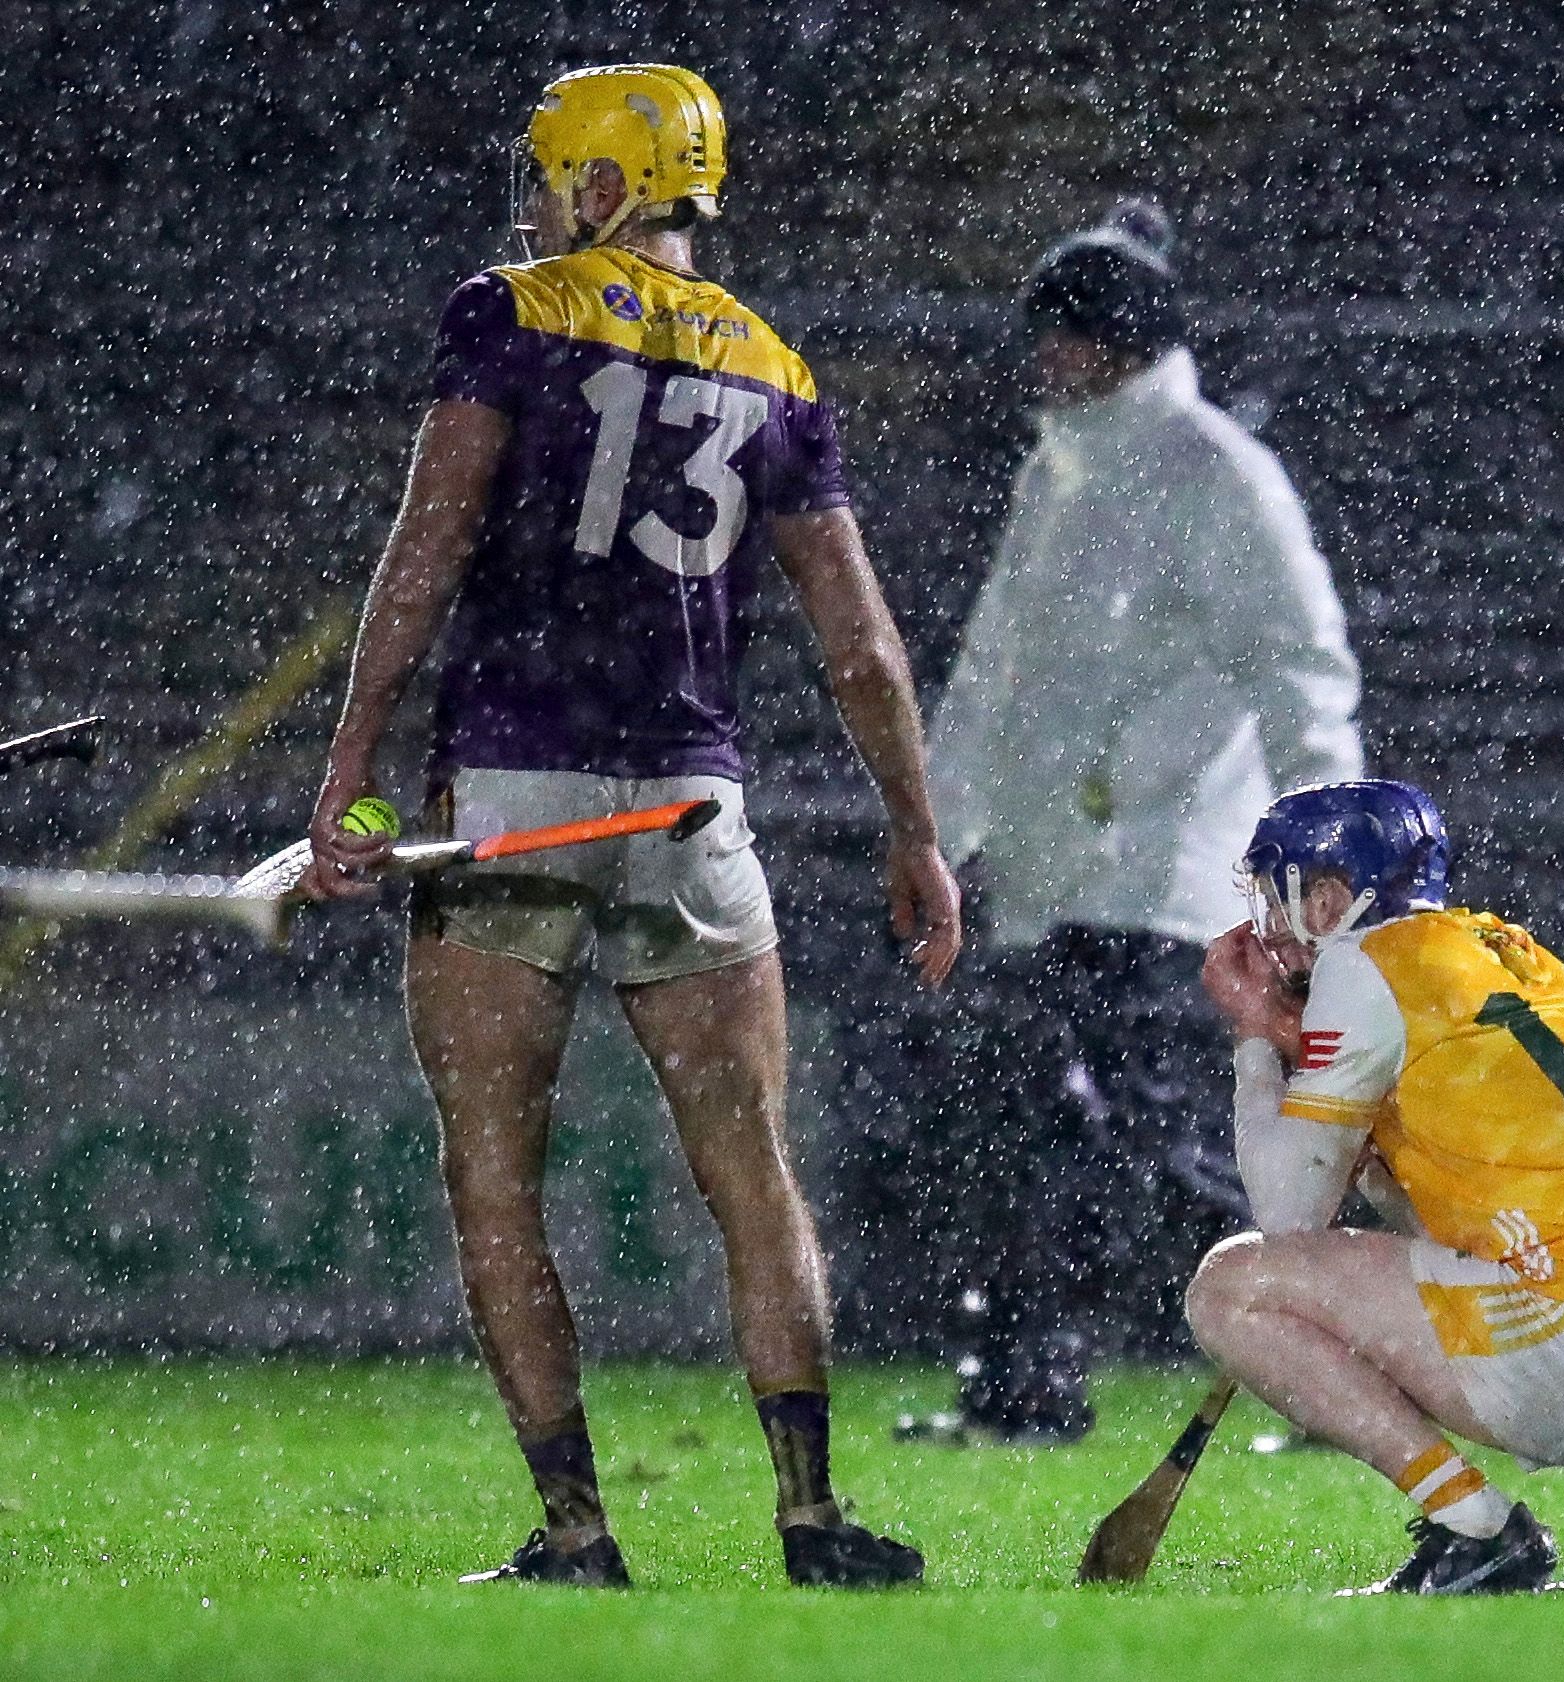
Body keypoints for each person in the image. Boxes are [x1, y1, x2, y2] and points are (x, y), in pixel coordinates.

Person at [302, 64, 961, 1587]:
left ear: (599, 184)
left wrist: (351, 759)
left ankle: (578, 1529)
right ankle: (810, 1514)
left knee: (493, 1171)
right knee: (751, 1172)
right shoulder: (780, 367)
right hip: (689, 805)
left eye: (553, 177)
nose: (540, 202)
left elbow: (427, 546)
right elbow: (861, 643)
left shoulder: (510, 311)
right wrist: (913, 828)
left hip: (510, 803)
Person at [913, 200, 1363, 1441]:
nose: (1046, 362)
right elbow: (993, 675)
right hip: (1058, 874)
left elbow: (1300, 672)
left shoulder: (1216, 472)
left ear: (1116, 341)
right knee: (1041, 1128)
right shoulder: (1056, 473)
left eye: (1066, 339)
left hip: (1173, 875)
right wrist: (942, 832)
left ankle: (1337, 1343)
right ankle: (1025, 1380)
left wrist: (1328, 861)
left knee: (1147, 1140)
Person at [1185, 781, 1564, 1595]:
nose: (1265, 923)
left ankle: (1472, 1528)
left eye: (1276, 894)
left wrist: (1252, 1036)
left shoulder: (1363, 963)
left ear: (1326, 900)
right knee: (1473, 1222)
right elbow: (1453, 1203)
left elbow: (1286, 1218)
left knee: (1232, 1287)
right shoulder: (1500, 946)